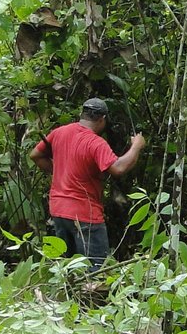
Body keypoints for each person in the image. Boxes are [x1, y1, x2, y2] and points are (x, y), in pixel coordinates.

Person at [30, 98, 145, 269]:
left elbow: (35, 155)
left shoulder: (59, 132)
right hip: (84, 214)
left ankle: (69, 295)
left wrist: (61, 170)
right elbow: (118, 168)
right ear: (102, 119)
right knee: (95, 271)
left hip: (58, 210)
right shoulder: (95, 143)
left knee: (65, 268)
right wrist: (136, 146)